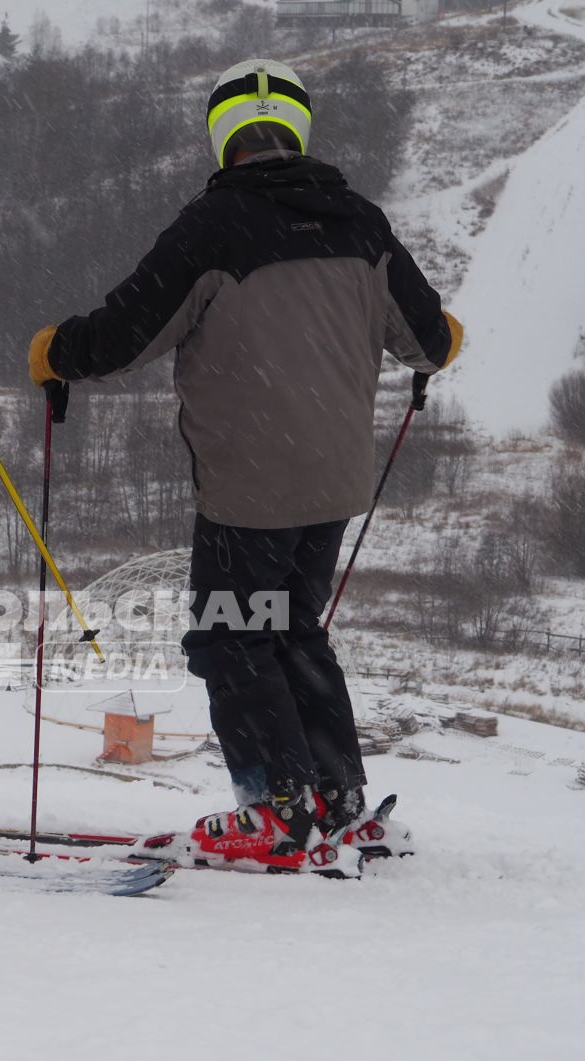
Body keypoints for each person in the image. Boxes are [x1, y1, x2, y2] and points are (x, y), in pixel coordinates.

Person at [28, 59, 461, 877]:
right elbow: (429, 341)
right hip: (334, 482)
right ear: (297, 130)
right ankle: (334, 800)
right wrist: (439, 333)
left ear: (221, 138)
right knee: (293, 628)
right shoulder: (361, 224)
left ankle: (275, 807)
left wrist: (56, 352)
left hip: (247, 486)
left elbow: (121, 336)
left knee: (231, 640)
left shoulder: (212, 228)